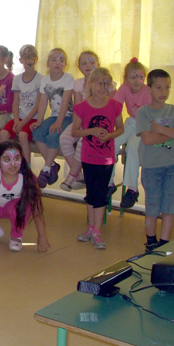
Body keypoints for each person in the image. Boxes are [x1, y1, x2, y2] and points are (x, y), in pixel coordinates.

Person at [136, 69, 174, 252]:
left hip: (172, 166)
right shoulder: (144, 112)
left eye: (167, 87)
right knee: (152, 207)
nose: (163, 92)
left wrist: (160, 130)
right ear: (149, 89)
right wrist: (173, 132)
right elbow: (148, 139)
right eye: (158, 87)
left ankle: (164, 244)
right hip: (152, 167)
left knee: (169, 207)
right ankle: (151, 243)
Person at [72, 68, 124, 250]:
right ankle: (90, 229)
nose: (103, 87)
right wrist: (92, 131)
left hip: (106, 158)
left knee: (100, 194)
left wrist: (109, 135)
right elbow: (75, 131)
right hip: (88, 156)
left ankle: (97, 231)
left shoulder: (115, 105)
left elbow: (121, 128)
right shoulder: (81, 107)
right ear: (91, 85)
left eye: (107, 84)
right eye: (100, 83)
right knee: (91, 193)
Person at [108, 58, 152, 208]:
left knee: (132, 147)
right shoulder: (124, 88)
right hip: (131, 122)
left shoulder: (147, 90)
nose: (137, 81)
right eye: (133, 77)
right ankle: (109, 183)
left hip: (145, 124)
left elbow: (152, 113)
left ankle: (132, 189)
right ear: (126, 79)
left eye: (140, 77)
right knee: (112, 142)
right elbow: (115, 107)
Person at [31, 48, 74, 188]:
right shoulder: (45, 80)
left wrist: (59, 122)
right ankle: (53, 165)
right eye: (54, 59)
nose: (58, 62)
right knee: (37, 133)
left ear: (65, 64)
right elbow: (43, 102)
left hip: (67, 117)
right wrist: (39, 120)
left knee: (53, 136)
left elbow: (65, 103)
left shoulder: (68, 78)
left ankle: (46, 169)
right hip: (53, 116)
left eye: (61, 60)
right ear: (48, 63)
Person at [59, 51, 101, 191]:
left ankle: (71, 176)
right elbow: (78, 108)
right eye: (84, 63)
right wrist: (78, 126)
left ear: (98, 64)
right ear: (79, 67)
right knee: (64, 138)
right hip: (81, 121)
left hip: (98, 124)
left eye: (92, 62)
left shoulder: (106, 83)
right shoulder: (78, 83)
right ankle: (80, 176)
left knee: (84, 140)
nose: (88, 65)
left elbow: (109, 108)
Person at [0, 44, 42, 166]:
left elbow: (37, 106)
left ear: (36, 59)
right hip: (19, 118)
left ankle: (26, 167)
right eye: (26, 57)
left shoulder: (40, 79)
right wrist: (17, 121)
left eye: (32, 56)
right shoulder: (17, 79)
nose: (29, 60)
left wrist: (22, 123)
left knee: (23, 135)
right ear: (21, 60)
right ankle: (6, 164)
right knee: (3, 134)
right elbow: (15, 103)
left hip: (32, 119)